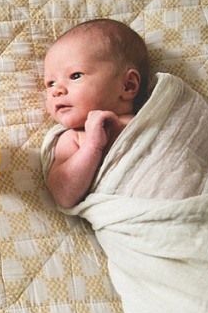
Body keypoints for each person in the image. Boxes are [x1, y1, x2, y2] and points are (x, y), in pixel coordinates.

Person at [43, 19, 150, 208]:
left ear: (128, 85)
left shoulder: (153, 117)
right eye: (50, 83)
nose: (56, 90)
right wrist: (92, 146)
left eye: (75, 75)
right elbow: (64, 194)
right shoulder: (75, 137)